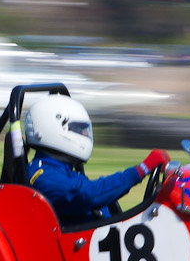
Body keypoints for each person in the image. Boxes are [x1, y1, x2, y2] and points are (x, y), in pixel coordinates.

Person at [23, 94, 169, 226]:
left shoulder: (63, 170)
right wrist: (142, 169)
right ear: (50, 128)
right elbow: (87, 195)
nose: (84, 134)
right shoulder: (42, 175)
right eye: (79, 129)